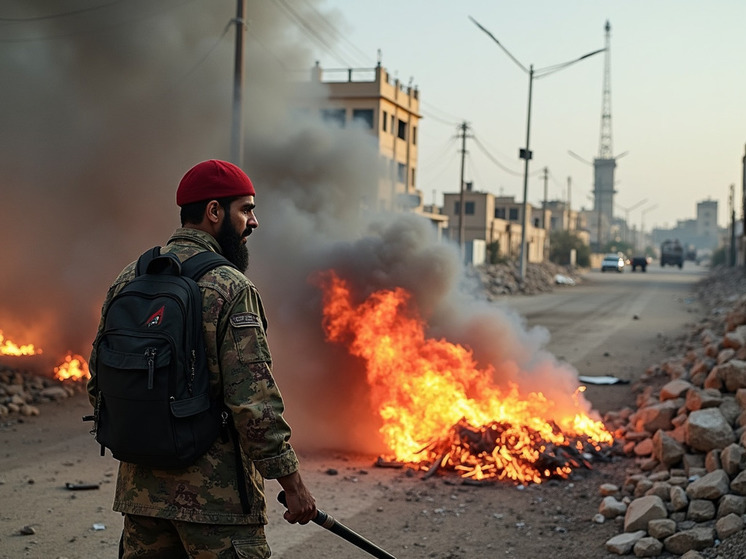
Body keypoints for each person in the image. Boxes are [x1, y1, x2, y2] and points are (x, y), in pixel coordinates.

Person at [87, 159, 316, 558]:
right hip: (218, 507)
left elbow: (98, 382)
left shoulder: (129, 278)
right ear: (214, 212)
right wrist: (293, 486)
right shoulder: (231, 287)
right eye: (246, 209)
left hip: (141, 498)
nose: (254, 221)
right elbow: (254, 403)